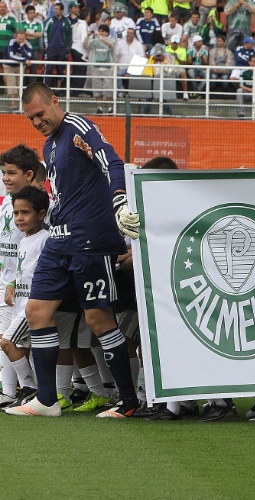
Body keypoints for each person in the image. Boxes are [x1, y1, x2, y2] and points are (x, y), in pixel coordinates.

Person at [7, 83, 140, 419]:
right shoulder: (49, 144)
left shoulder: (80, 127)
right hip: (59, 240)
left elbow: (111, 160)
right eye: (30, 118)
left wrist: (120, 201)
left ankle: (127, 401)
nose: (36, 121)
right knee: (37, 311)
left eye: (39, 114)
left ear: (55, 101)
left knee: (98, 320)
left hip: (91, 241)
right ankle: (48, 400)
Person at [0, 145, 43, 408]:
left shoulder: (37, 204)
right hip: (6, 280)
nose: (5, 178)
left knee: (14, 339)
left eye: (11, 173)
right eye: (3, 172)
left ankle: (33, 388)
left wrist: (14, 281)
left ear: (28, 174)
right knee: (4, 337)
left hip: (23, 285)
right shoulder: (7, 201)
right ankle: (9, 391)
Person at [85, 24, 115, 114]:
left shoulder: (111, 40)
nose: (100, 33)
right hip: (96, 68)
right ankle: (99, 107)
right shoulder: (95, 41)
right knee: (97, 89)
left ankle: (111, 108)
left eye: (102, 31)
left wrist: (99, 36)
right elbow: (85, 46)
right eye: (100, 31)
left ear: (106, 33)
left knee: (109, 89)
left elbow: (110, 45)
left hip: (107, 68)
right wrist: (87, 36)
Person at [4, 30, 33, 110]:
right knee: (12, 84)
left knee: (19, 84)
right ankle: (13, 103)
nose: (20, 40)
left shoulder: (28, 45)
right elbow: (11, 56)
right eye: (19, 39)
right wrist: (24, 60)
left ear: (25, 38)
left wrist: (22, 47)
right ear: (15, 37)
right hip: (9, 65)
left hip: (19, 66)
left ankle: (20, 103)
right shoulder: (11, 42)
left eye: (22, 39)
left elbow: (28, 57)